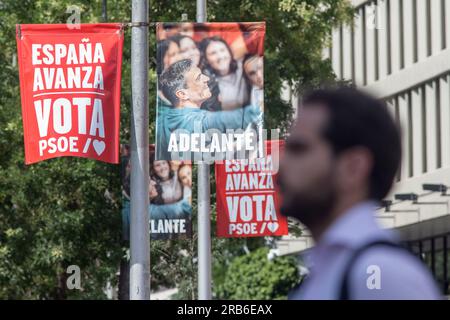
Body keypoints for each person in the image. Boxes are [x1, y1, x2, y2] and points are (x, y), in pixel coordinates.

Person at [278, 87, 441, 300]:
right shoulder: (332, 269)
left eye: (299, 149)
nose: (281, 165)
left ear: (353, 168)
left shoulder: (381, 273)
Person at [156, 59, 262, 160]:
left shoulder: (163, 118)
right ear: (182, 94)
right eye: (198, 78)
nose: (206, 78)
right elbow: (227, 119)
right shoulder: (199, 121)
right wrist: (259, 107)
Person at [199, 36, 249, 110]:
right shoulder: (208, 84)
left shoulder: (244, 68)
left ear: (229, 52)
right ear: (206, 59)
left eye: (222, 50)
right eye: (213, 53)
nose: (220, 56)